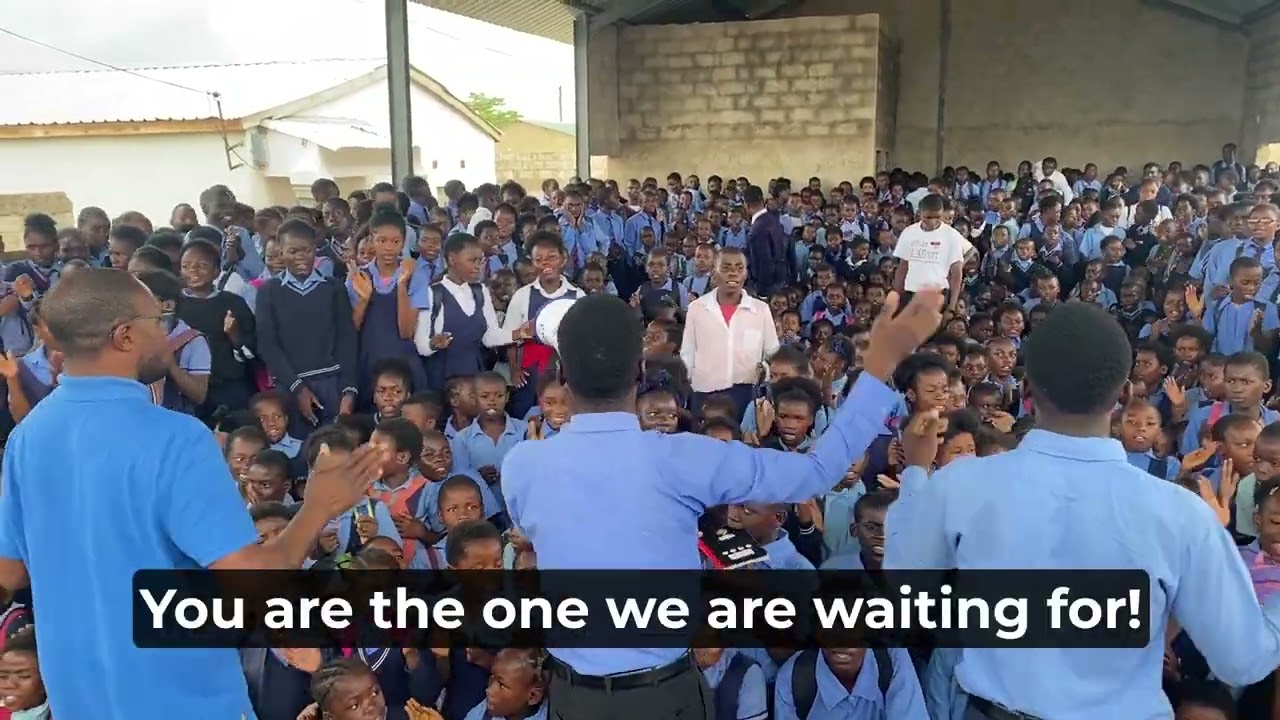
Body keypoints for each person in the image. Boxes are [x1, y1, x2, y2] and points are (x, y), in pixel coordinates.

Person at [500, 288, 943, 720]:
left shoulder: (522, 465)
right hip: (664, 696)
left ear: (561, 373)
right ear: (639, 368)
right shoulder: (684, 458)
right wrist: (882, 363)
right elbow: (816, 472)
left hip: (574, 698)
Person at [0, 268, 388, 719]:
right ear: (125, 336)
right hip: (183, 701)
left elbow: (9, 574)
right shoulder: (176, 439)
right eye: (158, 321)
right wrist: (320, 505)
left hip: (81, 703)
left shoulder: (29, 437)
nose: (167, 334)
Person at [885, 301, 1280, 719]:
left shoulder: (959, 485)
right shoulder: (1181, 513)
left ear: (1027, 389)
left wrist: (915, 471)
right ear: (1124, 393)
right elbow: (1243, 660)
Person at [681, 247, 778, 417]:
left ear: (746, 274)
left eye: (739, 268)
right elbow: (688, 353)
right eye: (725, 268)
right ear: (714, 272)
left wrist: (764, 370)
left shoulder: (760, 310)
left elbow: (772, 353)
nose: (733, 273)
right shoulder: (697, 308)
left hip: (747, 393)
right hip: (705, 392)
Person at [892, 193, 965, 312]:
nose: (933, 222)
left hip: (937, 295)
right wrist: (896, 297)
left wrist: (952, 305)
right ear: (919, 214)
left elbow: (956, 273)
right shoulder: (909, 232)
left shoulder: (952, 235)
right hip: (911, 294)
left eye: (937, 217)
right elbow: (902, 267)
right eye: (928, 217)